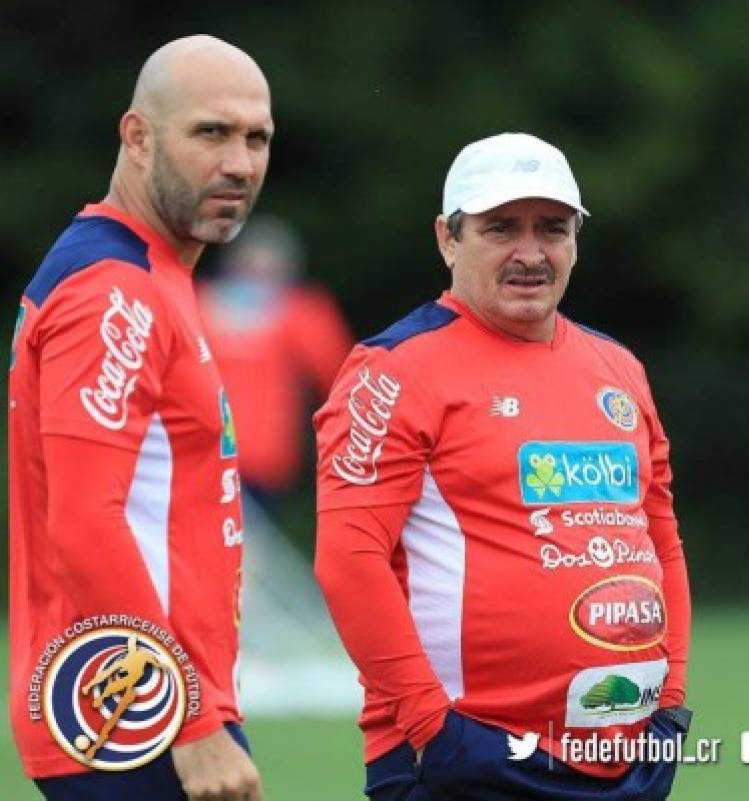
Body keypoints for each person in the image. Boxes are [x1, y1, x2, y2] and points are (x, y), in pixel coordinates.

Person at [314, 132, 692, 801]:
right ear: (447, 238)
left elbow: (661, 537)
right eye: (500, 228)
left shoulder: (618, 366)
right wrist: (432, 725)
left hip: (625, 754)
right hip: (470, 758)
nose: (530, 253)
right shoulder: (395, 367)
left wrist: (671, 704)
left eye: (552, 228)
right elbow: (349, 556)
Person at [8, 35, 272, 801]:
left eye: (256, 138)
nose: (240, 163)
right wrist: (188, 722)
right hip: (131, 715)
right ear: (137, 136)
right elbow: (84, 520)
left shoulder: (151, 272)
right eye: (211, 132)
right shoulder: (112, 290)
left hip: (138, 704)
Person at [199, 216, 353, 505]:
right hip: (202, 454)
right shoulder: (198, 302)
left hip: (262, 463)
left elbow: (341, 381)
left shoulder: (302, 311)